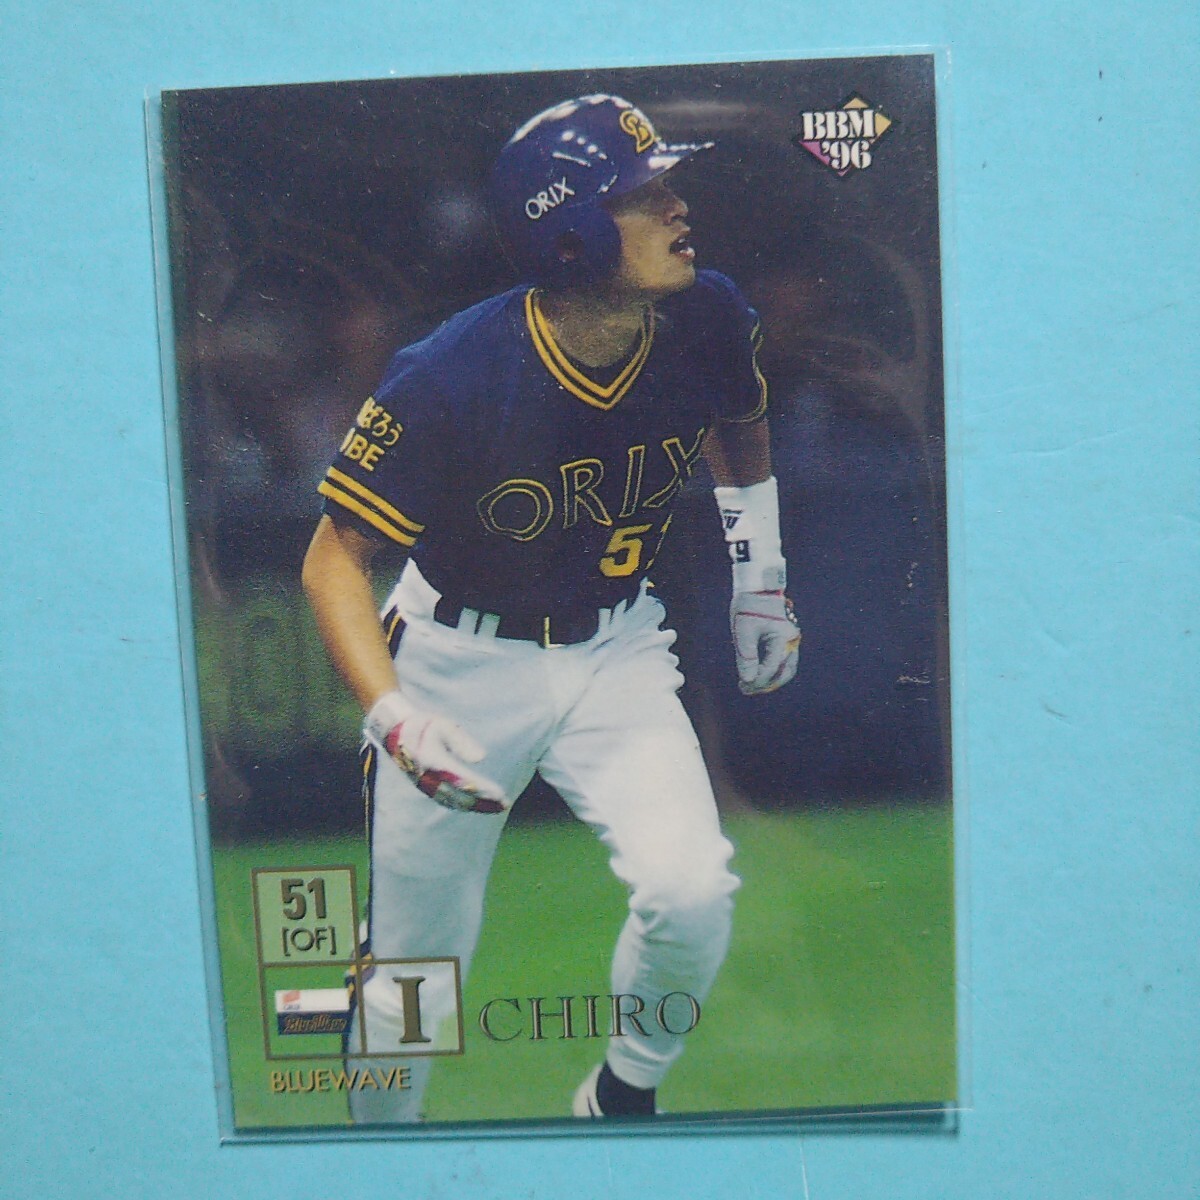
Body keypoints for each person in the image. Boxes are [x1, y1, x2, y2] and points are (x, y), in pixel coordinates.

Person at [302, 93, 800, 1123]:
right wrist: (394, 715)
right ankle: (376, 1163)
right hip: (454, 661)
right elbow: (331, 564)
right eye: (643, 194)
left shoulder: (708, 312)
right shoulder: (449, 374)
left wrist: (761, 576)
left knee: (692, 891)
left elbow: (740, 424)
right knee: (413, 975)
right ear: (568, 232)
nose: (677, 206)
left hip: (615, 647)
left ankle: (620, 1097)